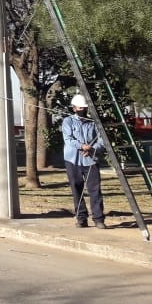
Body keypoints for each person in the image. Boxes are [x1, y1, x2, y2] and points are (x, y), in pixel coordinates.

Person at [62, 93, 107, 229]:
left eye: (84, 108)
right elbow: (68, 139)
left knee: (95, 190)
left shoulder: (94, 122)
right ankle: (81, 218)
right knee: (77, 189)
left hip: (91, 160)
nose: (83, 110)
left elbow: (102, 139)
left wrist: (92, 149)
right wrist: (82, 146)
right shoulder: (68, 121)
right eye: (80, 108)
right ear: (74, 108)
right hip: (72, 160)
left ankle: (98, 219)